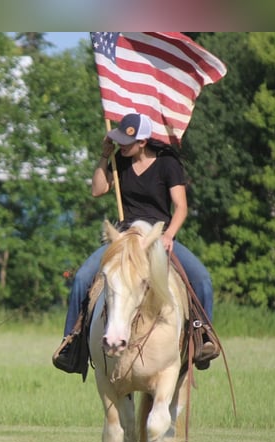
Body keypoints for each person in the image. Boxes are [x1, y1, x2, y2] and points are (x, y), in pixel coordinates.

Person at [54, 112, 218, 373]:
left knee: (201, 279)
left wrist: (168, 236)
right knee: (83, 276)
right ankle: (71, 344)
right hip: (125, 237)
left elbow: (181, 207)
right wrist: (104, 156)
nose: (121, 145)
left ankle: (202, 336)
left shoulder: (167, 165)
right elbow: (97, 190)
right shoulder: (119, 160)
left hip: (157, 237)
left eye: (125, 142)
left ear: (142, 142)